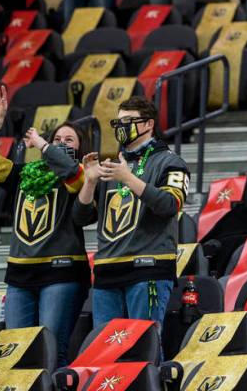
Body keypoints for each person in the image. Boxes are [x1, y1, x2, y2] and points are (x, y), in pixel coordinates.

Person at [0, 84, 89, 367]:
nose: (62, 143)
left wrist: (44, 145)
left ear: (80, 148)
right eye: (57, 138)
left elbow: (72, 173)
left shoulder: (81, 177)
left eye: (69, 140)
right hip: (19, 276)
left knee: (51, 352)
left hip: (61, 274)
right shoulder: (24, 175)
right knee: (17, 354)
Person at [73, 96, 189, 347]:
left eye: (129, 121)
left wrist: (128, 179)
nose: (121, 128)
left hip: (148, 268)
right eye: (119, 121)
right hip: (106, 270)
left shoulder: (170, 162)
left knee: (144, 348)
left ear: (148, 124)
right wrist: (90, 182)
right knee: (104, 350)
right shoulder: (110, 166)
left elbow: (170, 206)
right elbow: (81, 218)